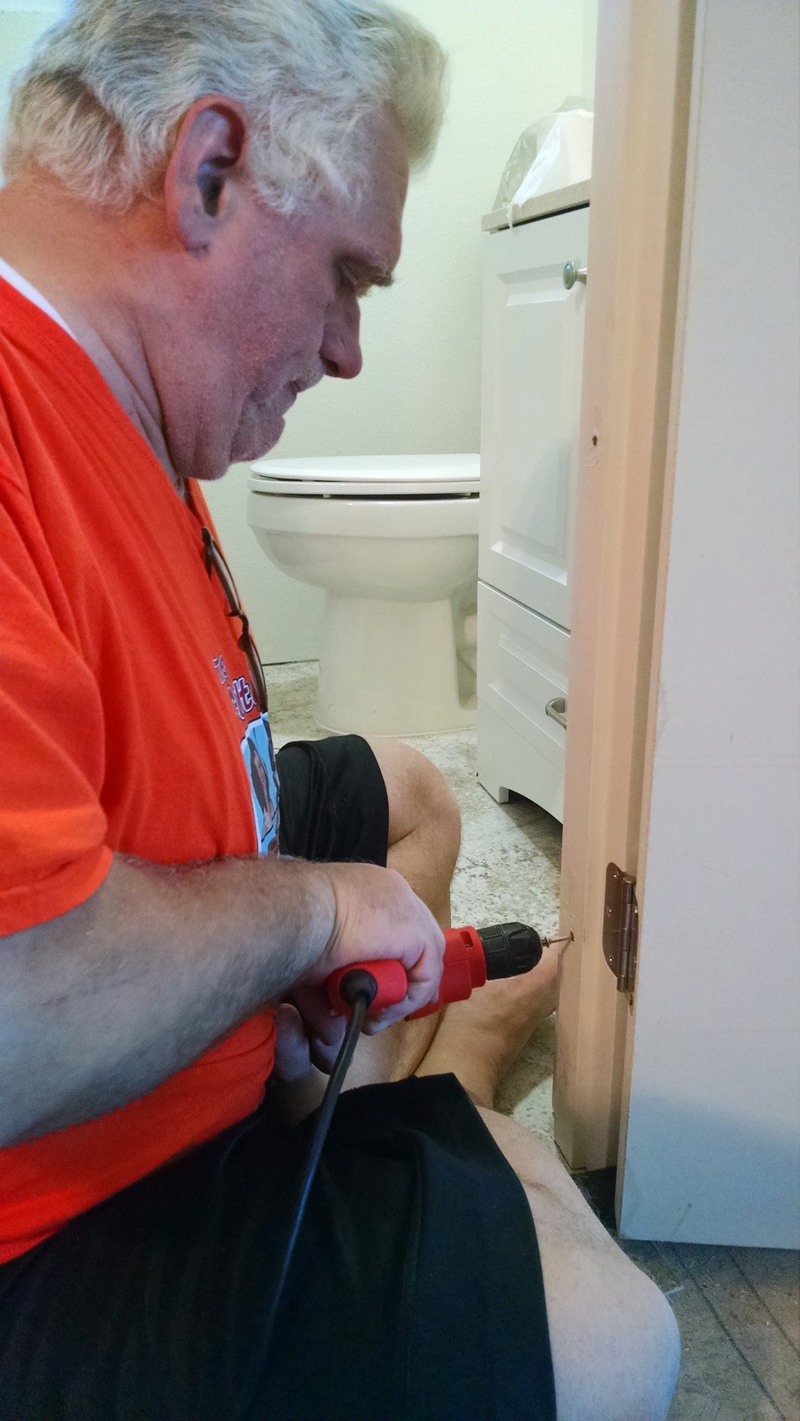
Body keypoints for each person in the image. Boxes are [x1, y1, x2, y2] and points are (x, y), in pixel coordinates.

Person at [0, 2, 680, 1417]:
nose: (354, 347)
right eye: (348, 278)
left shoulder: (108, 386)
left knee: (413, 796)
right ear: (208, 171)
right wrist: (304, 920)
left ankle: (387, 1102)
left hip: (149, 911)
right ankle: (440, 1088)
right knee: (617, 1333)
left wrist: (275, 947)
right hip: (48, 1232)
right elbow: (20, 1011)